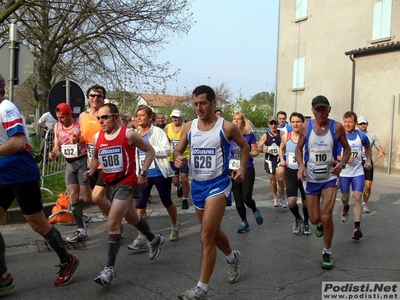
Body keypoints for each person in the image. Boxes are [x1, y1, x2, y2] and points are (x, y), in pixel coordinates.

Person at [0, 74, 79, 291]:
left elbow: (17, 142)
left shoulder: (6, 108)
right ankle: (3, 276)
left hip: (20, 174)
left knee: (38, 225)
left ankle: (67, 260)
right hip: (2, 175)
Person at [174, 85, 249, 299]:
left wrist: (242, 168)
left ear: (213, 103)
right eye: (195, 104)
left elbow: (244, 147)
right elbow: (178, 150)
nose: (198, 108)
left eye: (203, 103)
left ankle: (201, 288)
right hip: (197, 186)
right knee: (214, 233)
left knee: (205, 235)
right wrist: (178, 157)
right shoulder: (189, 127)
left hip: (218, 184)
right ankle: (233, 257)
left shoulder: (226, 127)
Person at [84, 103, 164, 287]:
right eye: (99, 118)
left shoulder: (128, 134)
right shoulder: (98, 137)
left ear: (115, 116)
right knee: (131, 216)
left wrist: (143, 173)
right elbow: (96, 156)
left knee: (113, 222)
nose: (101, 121)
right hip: (110, 182)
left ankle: (108, 270)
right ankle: (154, 239)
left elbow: (150, 150)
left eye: (104, 117)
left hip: (127, 183)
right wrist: (90, 171)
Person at [295, 95, 351, 270]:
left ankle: (327, 251)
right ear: (312, 111)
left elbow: (347, 149)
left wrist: (341, 164)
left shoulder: (337, 127)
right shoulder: (306, 127)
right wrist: (301, 166)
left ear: (329, 109)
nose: (320, 112)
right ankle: (319, 224)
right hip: (311, 178)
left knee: (327, 217)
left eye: (323, 109)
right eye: (317, 109)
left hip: (329, 177)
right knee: (314, 219)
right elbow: (298, 148)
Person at [128, 105, 180, 251]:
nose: (138, 118)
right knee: (140, 205)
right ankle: (141, 237)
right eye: (137, 115)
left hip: (159, 173)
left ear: (150, 118)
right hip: (143, 174)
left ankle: (175, 225)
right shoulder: (135, 133)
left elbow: (166, 150)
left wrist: (148, 148)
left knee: (167, 202)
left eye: (142, 115)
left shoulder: (158, 132)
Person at [49, 103, 93, 243]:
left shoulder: (79, 124)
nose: (60, 120)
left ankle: (109, 208)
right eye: (58, 117)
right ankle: (81, 230)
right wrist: (54, 154)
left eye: (63, 117)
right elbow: (57, 146)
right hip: (69, 163)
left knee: (87, 198)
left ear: (69, 114)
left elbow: (88, 139)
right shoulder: (57, 126)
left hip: (83, 160)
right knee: (73, 195)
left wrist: (78, 140)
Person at [78, 85, 111, 222]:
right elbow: (83, 138)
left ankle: (113, 223)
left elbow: (120, 133)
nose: (95, 98)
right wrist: (77, 139)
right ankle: (113, 223)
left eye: (99, 95)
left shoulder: (108, 114)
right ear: (88, 98)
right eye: (92, 95)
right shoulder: (82, 116)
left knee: (97, 197)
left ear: (103, 98)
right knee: (100, 199)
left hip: (106, 163)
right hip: (91, 163)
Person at [337, 112, 372, 240]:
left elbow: (368, 147)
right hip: (344, 172)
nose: (347, 124)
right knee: (345, 197)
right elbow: (335, 156)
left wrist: (368, 160)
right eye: (345, 121)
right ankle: (345, 207)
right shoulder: (339, 137)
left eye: (350, 122)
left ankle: (357, 227)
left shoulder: (361, 136)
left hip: (358, 172)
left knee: (357, 196)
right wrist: (344, 158)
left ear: (355, 123)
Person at [229, 112, 263, 233]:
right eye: (234, 119)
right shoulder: (229, 136)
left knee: (246, 198)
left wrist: (247, 154)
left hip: (247, 168)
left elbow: (256, 151)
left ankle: (254, 209)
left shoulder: (249, 135)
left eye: (239, 119)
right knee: (238, 200)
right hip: (233, 168)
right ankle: (244, 222)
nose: (236, 121)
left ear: (243, 121)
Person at [279, 112, 311, 235]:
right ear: (290, 123)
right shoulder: (286, 137)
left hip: (305, 172)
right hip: (291, 172)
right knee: (291, 202)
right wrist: (282, 159)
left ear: (302, 122)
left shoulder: (307, 137)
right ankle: (298, 218)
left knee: (306, 202)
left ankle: (307, 222)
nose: (296, 124)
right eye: (293, 121)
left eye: (298, 121)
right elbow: (281, 149)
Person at [357, 116, 386, 213]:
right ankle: (356, 202)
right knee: (358, 186)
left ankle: (364, 204)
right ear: (357, 124)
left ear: (367, 124)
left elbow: (379, 147)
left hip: (368, 163)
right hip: (356, 163)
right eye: (360, 124)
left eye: (364, 123)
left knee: (368, 186)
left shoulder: (372, 136)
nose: (362, 125)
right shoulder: (354, 135)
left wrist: (381, 152)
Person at [164, 109, 191, 210]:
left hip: (184, 156)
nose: (175, 119)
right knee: (175, 182)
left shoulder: (186, 127)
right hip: (172, 157)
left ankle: (185, 199)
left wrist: (189, 144)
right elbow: (164, 140)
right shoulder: (167, 127)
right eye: (173, 117)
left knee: (184, 178)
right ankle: (179, 186)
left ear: (181, 118)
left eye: (177, 117)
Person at [258, 116, 286, 208]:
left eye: (275, 123)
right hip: (269, 160)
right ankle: (275, 197)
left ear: (277, 124)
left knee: (281, 179)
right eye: (271, 123)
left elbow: (286, 145)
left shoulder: (281, 133)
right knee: (273, 181)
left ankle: (282, 197)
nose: (273, 125)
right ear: (268, 124)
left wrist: (283, 149)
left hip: (279, 159)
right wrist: (263, 149)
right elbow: (258, 147)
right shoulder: (265, 135)